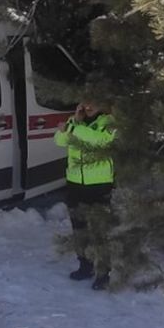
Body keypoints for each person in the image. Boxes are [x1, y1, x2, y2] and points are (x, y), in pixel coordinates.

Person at [55, 100, 116, 290]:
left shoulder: (109, 122)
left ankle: (103, 273)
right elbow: (59, 140)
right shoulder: (75, 121)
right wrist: (74, 121)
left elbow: (100, 140)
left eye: (93, 102)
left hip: (99, 185)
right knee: (79, 229)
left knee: (100, 231)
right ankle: (85, 266)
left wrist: (73, 128)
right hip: (75, 183)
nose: (89, 106)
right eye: (85, 102)